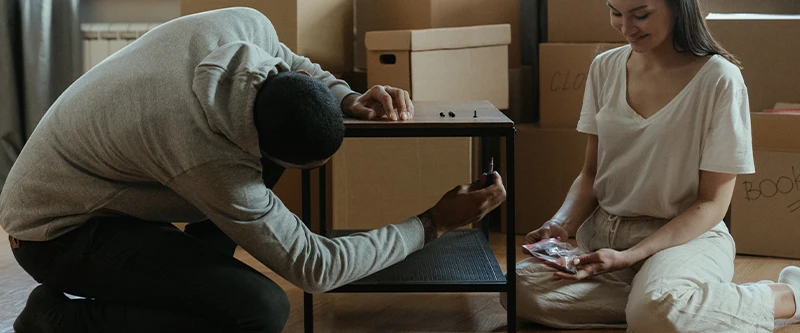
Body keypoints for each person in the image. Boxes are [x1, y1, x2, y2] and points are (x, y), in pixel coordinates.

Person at [0, 7, 507, 333]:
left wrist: (347, 96)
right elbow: (317, 268)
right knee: (259, 310)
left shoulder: (247, 28)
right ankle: (60, 318)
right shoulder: (208, 159)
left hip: (102, 186)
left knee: (220, 286)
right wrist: (433, 223)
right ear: (256, 149)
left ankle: (195, 280)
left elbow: (291, 60)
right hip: (54, 233)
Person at [501, 0, 799, 331]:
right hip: (606, 237)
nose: (626, 28)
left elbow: (713, 202)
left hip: (686, 238)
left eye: (641, 15)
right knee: (516, 289)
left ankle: (786, 296)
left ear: (678, 7)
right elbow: (591, 174)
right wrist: (559, 223)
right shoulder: (604, 68)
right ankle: (664, 304)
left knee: (655, 311)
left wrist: (632, 256)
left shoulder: (720, 79)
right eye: (616, 13)